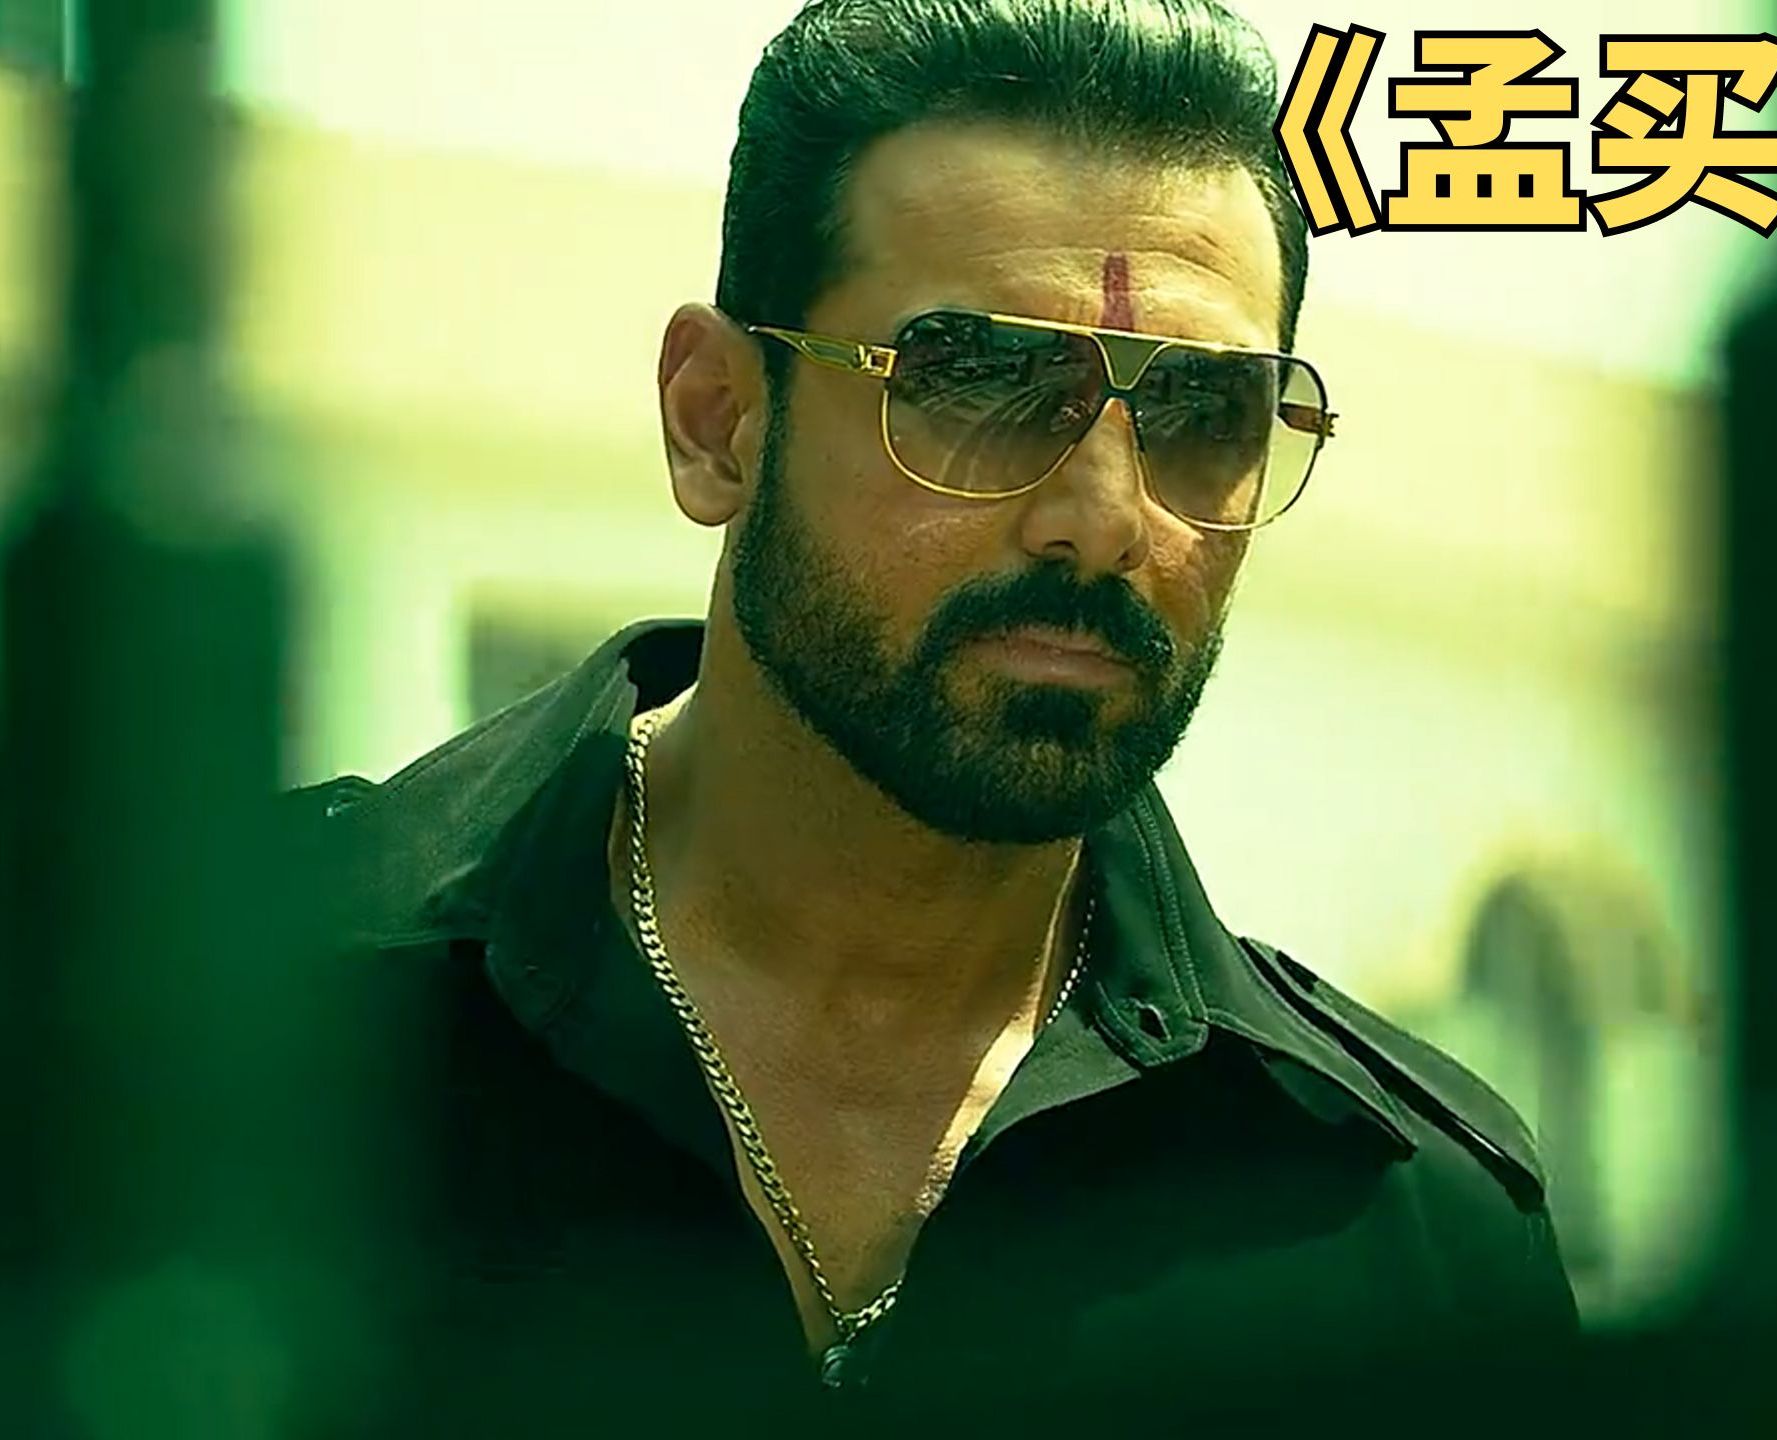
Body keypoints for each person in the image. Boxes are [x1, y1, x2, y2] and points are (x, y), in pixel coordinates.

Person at [289, 0, 1577, 1428]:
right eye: (982, 383)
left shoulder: (1403, 1240)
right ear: (718, 420)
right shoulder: (214, 1035)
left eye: (1206, 415)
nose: (1103, 520)